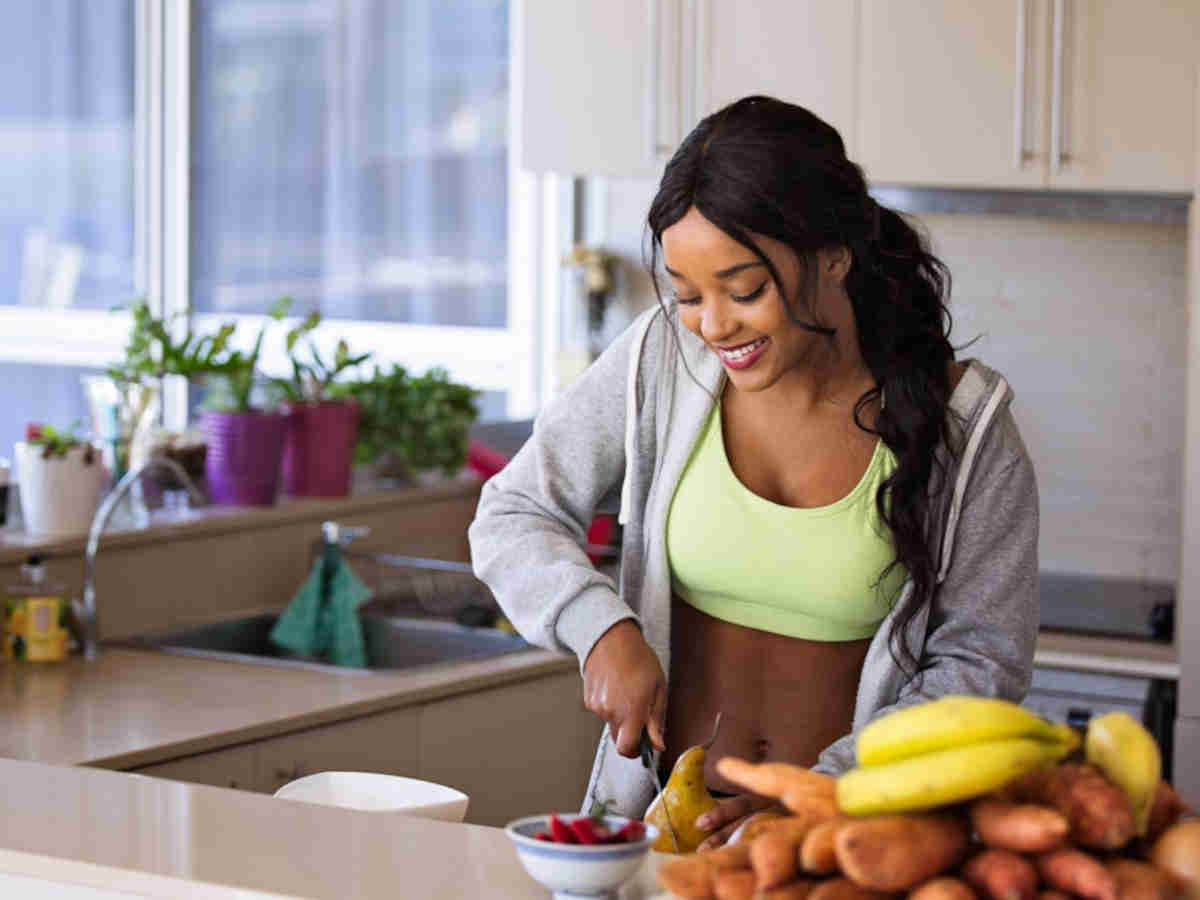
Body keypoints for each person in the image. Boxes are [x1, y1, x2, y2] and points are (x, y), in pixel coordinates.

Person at [468, 95, 1038, 847]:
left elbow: (980, 664)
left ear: (833, 255)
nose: (713, 325)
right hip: (659, 838)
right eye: (687, 294)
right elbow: (512, 513)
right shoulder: (662, 358)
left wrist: (820, 797)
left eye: (744, 290)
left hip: (844, 847)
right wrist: (602, 628)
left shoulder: (964, 425)